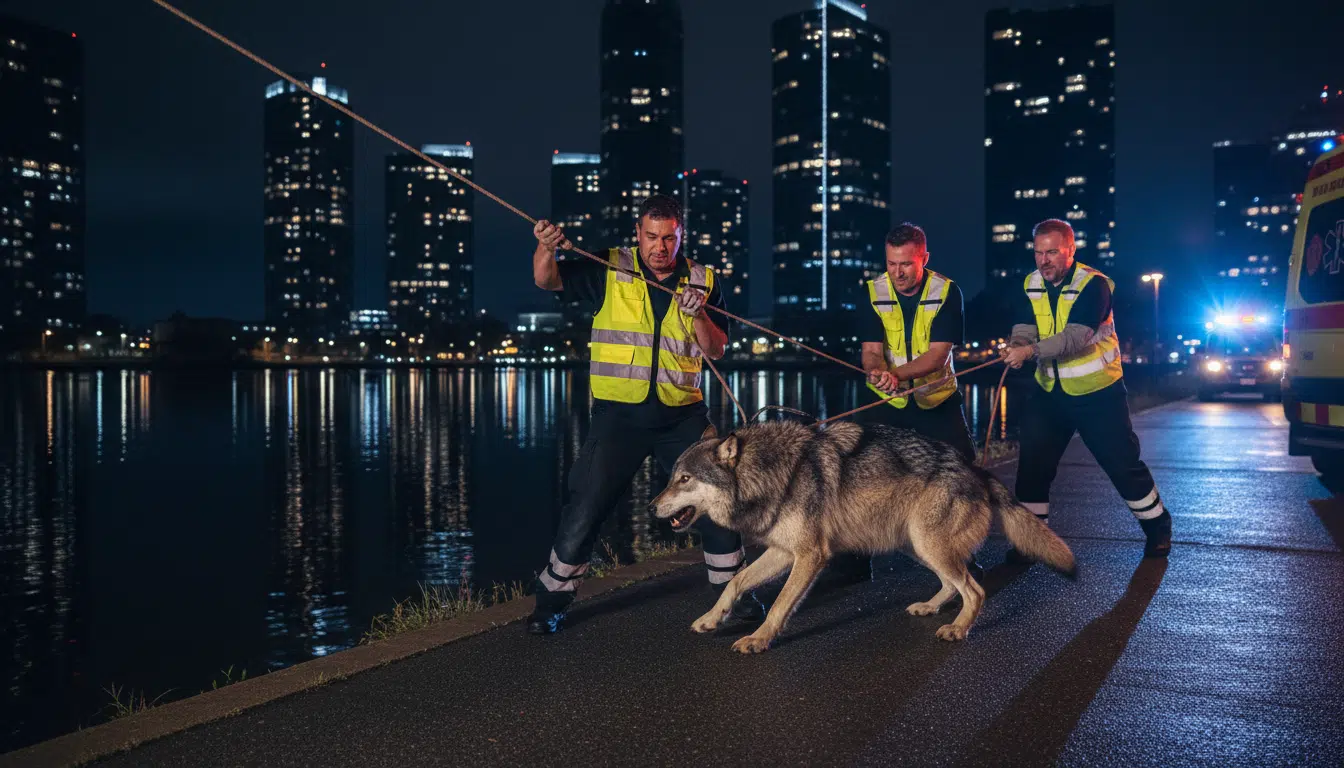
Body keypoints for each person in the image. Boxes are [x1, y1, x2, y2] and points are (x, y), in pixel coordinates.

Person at [525, 194, 764, 634]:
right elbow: (547, 281)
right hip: (619, 418)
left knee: (719, 499)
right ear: (638, 234)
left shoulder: (702, 280)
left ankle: (734, 594)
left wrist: (697, 316)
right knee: (586, 505)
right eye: (652, 236)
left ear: (681, 236)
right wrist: (546, 246)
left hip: (682, 416)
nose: (660, 246)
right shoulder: (611, 267)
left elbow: (715, 348)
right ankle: (550, 603)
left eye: (669, 237)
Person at [1000, 219, 1172, 560]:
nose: (1044, 261)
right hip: (1049, 391)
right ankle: (1031, 542)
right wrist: (1017, 343)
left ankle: (1158, 526)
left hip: (1098, 392)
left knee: (1122, 464)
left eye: (1052, 252)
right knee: (1033, 465)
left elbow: (1076, 336)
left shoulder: (1094, 285)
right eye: (1038, 253)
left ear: (1070, 250)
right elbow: (1025, 325)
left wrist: (1030, 352)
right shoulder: (1031, 283)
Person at [833, 223, 982, 583]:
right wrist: (875, 372)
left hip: (937, 400)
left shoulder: (948, 292)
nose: (897, 272)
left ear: (923, 259)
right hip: (889, 403)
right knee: (862, 479)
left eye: (906, 264)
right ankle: (854, 561)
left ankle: (958, 558)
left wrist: (896, 374)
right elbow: (870, 352)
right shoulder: (872, 291)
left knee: (963, 472)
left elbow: (937, 356)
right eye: (891, 263)